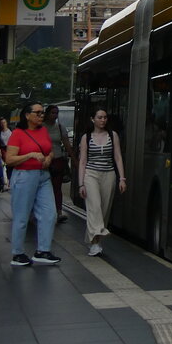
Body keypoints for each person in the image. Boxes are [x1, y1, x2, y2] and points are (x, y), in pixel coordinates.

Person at [5, 102, 61, 266]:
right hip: (24, 176)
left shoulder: (43, 130)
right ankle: (18, 253)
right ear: (27, 115)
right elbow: (9, 159)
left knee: (50, 213)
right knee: (21, 216)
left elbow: (49, 149)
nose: (41, 116)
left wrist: (49, 158)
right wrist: (30, 155)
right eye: (37, 113)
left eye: (42, 113)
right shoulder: (18, 133)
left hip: (43, 176)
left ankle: (43, 250)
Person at [77, 109, 126, 256]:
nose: (103, 120)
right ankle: (99, 232)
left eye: (105, 118)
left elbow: (118, 157)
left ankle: (95, 243)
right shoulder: (86, 138)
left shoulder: (113, 135)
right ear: (93, 119)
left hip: (109, 174)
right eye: (99, 117)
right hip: (91, 174)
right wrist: (81, 184)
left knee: (104, 209)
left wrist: (122, 178)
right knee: (95, 206)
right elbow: (83, 161)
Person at [44, 104, 74, 224]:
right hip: (45, 161)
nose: (55, 115)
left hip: (58, 160)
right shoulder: (41, 127)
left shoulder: (60, 127)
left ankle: (58, 212)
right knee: (45, 187)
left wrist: (74, 159)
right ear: (47, 114)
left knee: (57, 187)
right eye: (52, 113)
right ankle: (45, 211)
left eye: (56, 113)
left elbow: (67, 144)